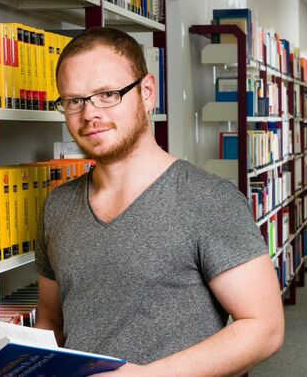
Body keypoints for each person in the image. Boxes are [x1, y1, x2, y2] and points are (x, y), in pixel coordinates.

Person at [34, 27, 284, 375]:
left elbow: (264, 329)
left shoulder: (209, 200)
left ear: (147, 92)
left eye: (107, 94)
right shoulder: (57, 207)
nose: (90, 114)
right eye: (74, 100)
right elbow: (51, 321)